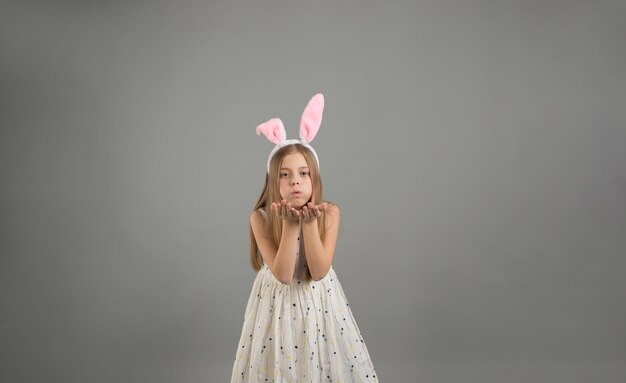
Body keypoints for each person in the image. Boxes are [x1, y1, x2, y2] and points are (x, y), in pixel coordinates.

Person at [230, 94, 379, 382]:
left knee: (319, 359)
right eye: (285, 175)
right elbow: (284, 274)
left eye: (302, 173)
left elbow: (320, 271)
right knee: (280, 362)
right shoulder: (260, 218)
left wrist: (310, 225)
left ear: (315, 178)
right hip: (277, 304)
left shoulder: (330, 213)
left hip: (318, 302)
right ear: (274, 181)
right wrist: (290, 225)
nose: (295, 181)